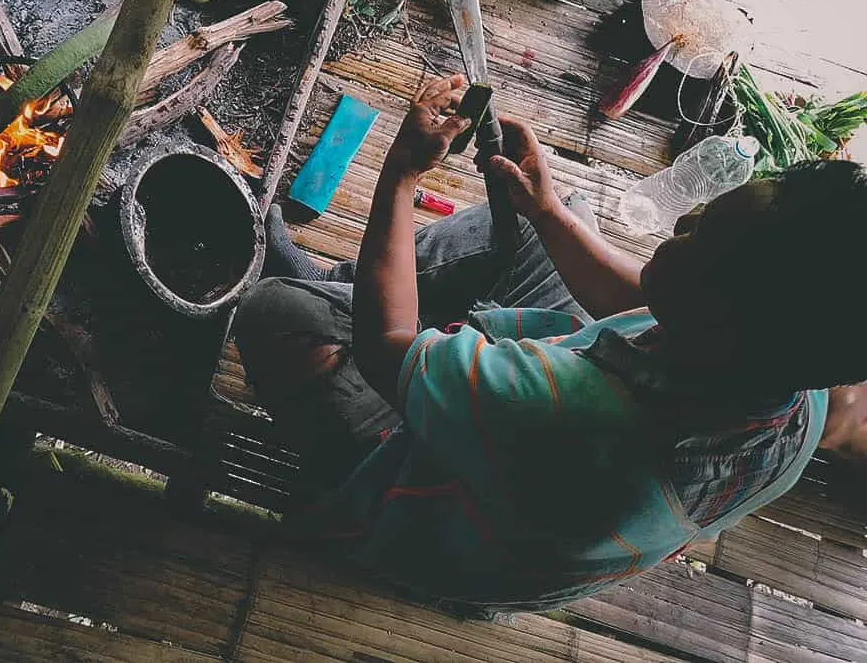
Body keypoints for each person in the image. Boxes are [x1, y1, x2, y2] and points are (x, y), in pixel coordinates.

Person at [234, 73, 867, 613]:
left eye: (700, 237)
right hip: (544, 471)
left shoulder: (571, 415)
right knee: (560, 225)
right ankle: (352, 288)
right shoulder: (794, 401)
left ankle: (338, 308)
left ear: (720, 319)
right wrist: (546, 211)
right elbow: (646, 309)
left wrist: (401, 173)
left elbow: (386, 344)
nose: (685, 216)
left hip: (426, 510)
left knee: (276, 309)